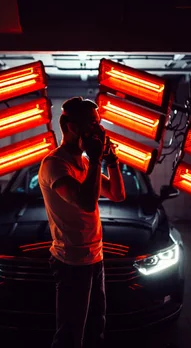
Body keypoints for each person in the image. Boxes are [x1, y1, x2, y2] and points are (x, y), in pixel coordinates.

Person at [38, 97, 126, 348]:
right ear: (70, 126)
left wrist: (111, 161)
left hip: (94, 256)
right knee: (70, 334)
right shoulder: (55, 164)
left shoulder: (86, 163)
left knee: (96, 326)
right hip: (71, 262)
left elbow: (118, 195)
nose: (98, 130)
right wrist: (98, 159)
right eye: (91, 124)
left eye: (98, 124)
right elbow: (86, 203)